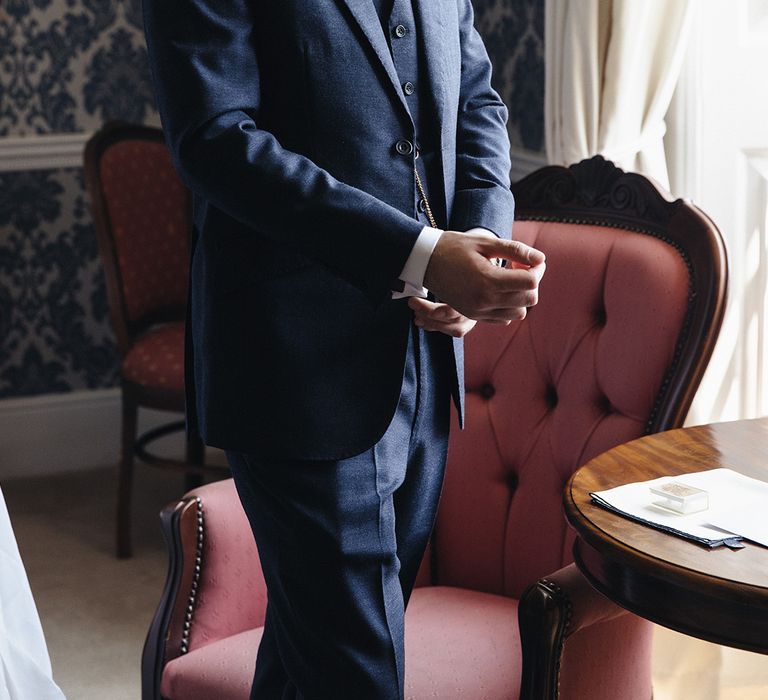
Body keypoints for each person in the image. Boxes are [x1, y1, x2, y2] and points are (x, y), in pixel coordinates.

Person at [143, 0, 545, 697]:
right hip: (292, 364)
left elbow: (476, 100)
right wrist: (419, 255)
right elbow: (215, 138)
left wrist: (476, 243)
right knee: (359, 670)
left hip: (422, 361)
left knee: (311, 661)